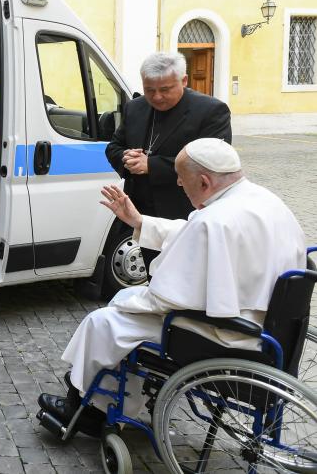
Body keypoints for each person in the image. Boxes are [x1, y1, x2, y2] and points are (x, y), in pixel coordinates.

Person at [38, 139, 305, 434]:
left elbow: (166, 297)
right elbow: (196, 231)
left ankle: (88, 408)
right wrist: (139, 221)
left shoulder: (216, 220)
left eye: (182, 178)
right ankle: (103, 393)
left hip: (224, 334)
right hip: (267, 329)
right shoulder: (263, 200)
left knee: (105, 321)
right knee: (123, 310)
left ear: (204, 181)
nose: (178, 183)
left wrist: (128, 302)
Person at [106, 52, 231, 222]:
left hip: (184, 212)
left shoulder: (211, 111)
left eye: (165, 89)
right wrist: (127, 158)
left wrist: (151, 165)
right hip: (139, 211)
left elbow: (213, 162)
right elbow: (114, 147)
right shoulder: (135, 107)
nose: (156, 97)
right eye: (149, 90)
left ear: (184, 81)